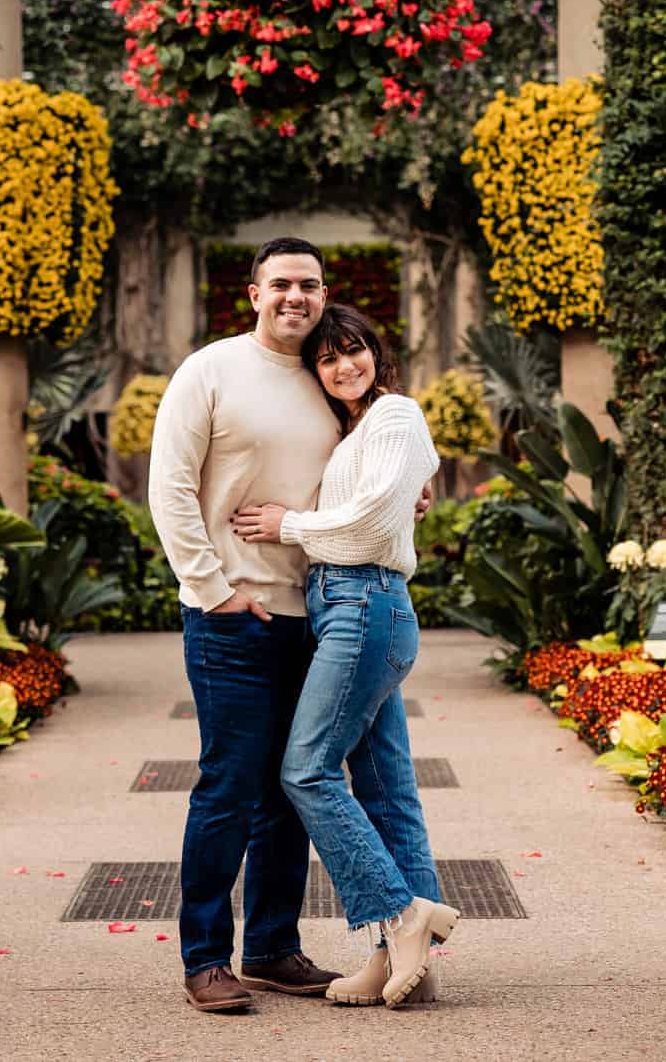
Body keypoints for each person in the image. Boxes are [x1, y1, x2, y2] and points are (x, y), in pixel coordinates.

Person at [232, 303, 458, 1009]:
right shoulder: (361, 428)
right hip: (352, 605)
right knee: (386, 785)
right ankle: (400, 956)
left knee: (306, 769)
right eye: (328, 359)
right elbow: (383, 501)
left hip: (365, 603)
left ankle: (398, 911)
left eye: (354, 349)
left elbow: (365, 524)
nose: (343, 365)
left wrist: (286, 525)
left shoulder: (394, 414)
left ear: (375, 351)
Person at [146, 237, 347, 1013]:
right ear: (254, 292)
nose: (297, 296)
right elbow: (170, 488)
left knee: (290, 791)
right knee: (229, 787)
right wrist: (211, 587)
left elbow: (361, 473)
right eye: (283, 284)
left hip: (318, 617)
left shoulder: (332, 377)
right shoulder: (210, 370)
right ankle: (205, 958)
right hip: (232, 618)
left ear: (324, 296)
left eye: (311, 285)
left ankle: (271, 947)